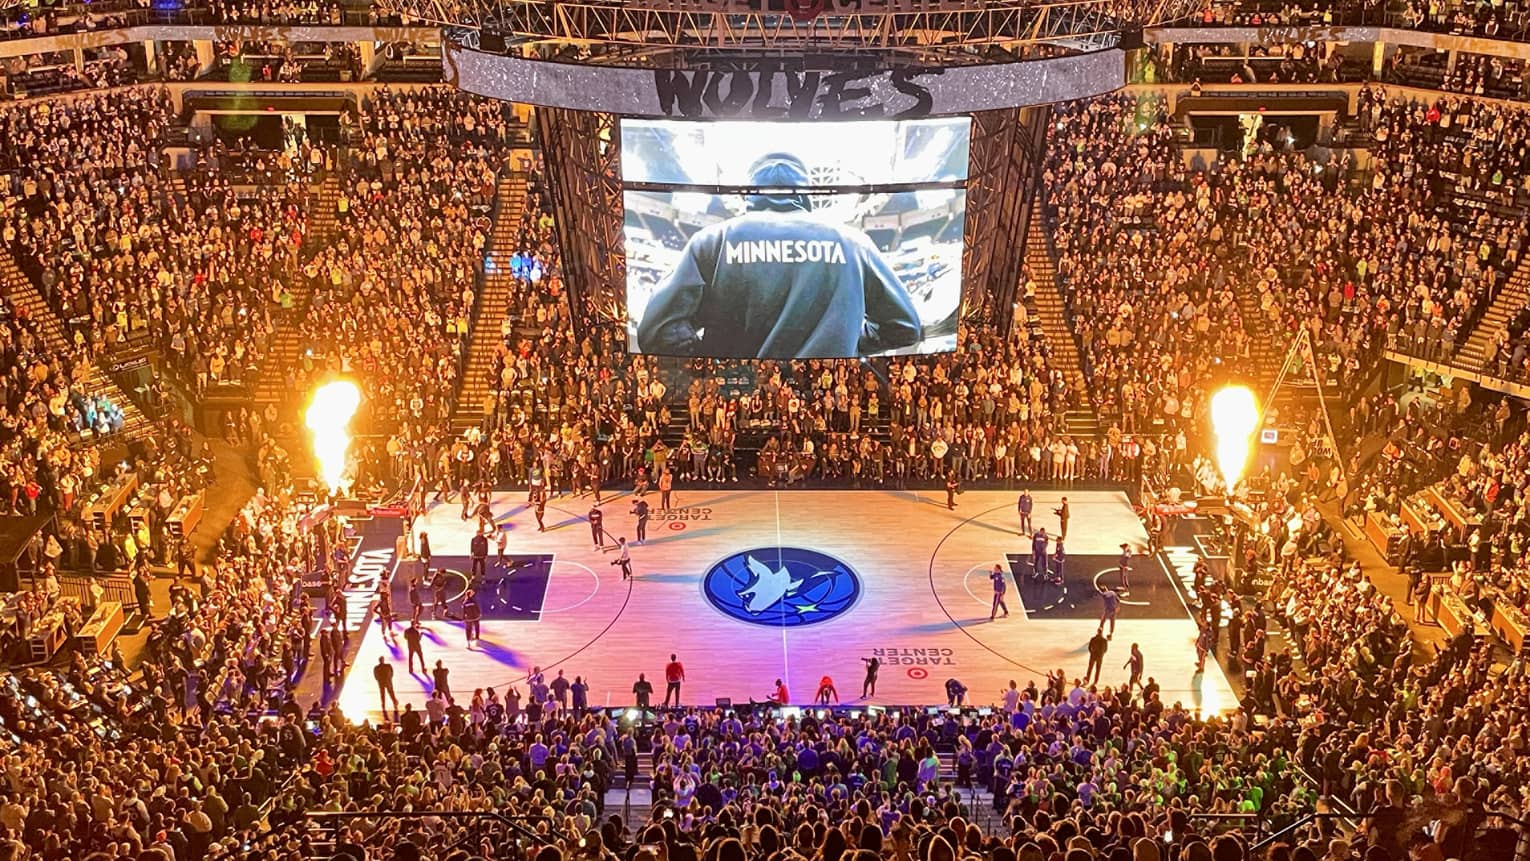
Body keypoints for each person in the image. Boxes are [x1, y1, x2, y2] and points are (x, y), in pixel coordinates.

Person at [634, 151, 922, 359]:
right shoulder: (855, 244)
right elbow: (905, 328)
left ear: (750, 192)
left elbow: (657, 331)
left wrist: (711, 360)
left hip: (740, 404)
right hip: (825, 403)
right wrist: (847, 343)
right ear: (806, 192)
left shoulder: (712, 241)